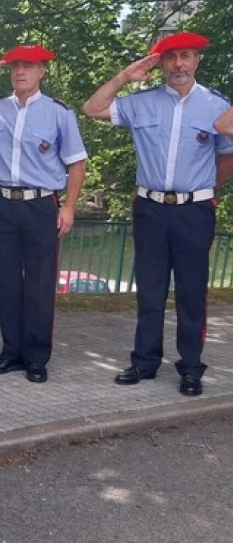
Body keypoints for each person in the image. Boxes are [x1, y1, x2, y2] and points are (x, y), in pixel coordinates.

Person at [83, 31, 233, 397]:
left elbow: (227, 154)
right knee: (149, 290)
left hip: (194, 210)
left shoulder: (217, 107)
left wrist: (208, 190)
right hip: (150, 208)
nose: (178, 64)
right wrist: (122, 77)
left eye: (185, 56)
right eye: (170, 58)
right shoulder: (141, 103)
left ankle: (191, 367)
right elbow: (93, 109)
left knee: (192, 291)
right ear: (160, 64)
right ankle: (144, 362)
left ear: (197, 60)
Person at [0, 45, 87, 384]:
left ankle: (36, 357)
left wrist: (68, 206)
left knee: (39, 285)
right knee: (7, 281)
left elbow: (76, 162)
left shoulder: (58, 113)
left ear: (42, 72)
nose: (20, 72)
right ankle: (11, 352)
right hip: (3, 203)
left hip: (41, 204)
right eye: (15, 67)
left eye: (28, 66)